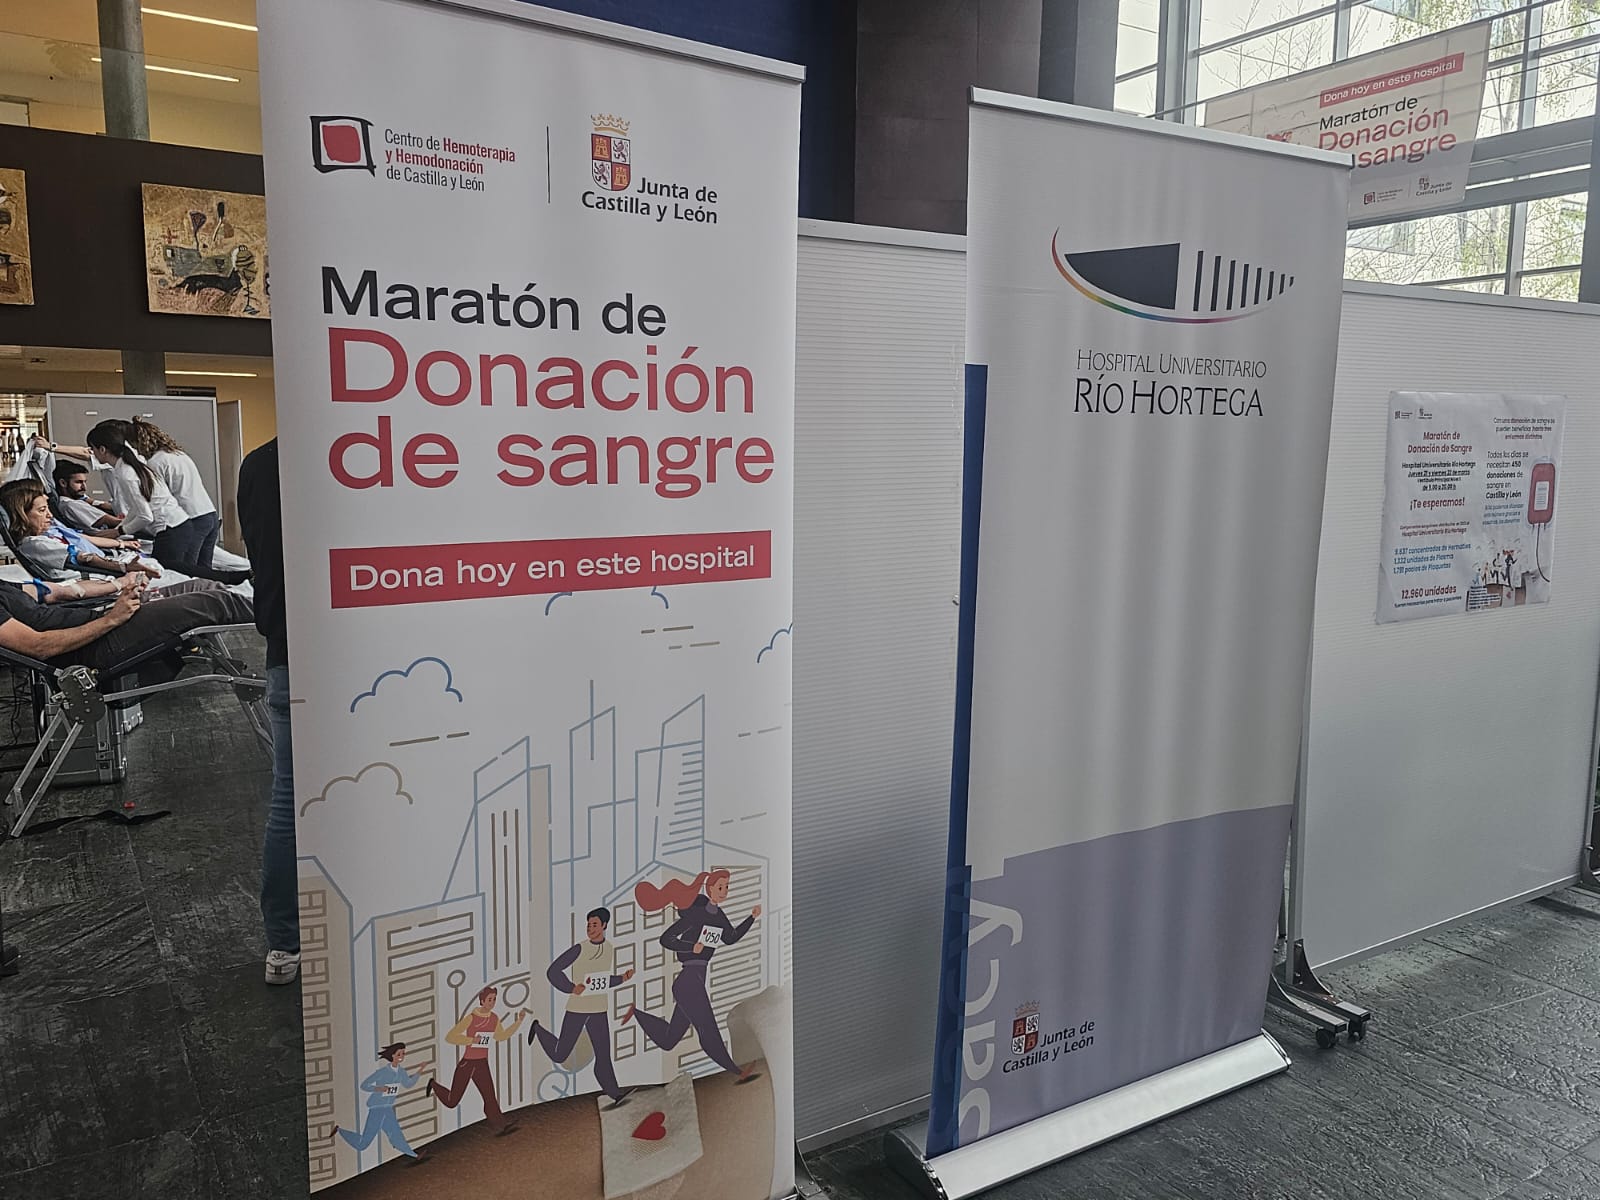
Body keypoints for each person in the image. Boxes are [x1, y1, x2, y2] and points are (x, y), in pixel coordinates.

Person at [237, 438, 296, 986]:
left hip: (287, 652)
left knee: (291, 801)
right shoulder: (377, 456)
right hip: (357, 656)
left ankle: (285, 945)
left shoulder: (260, 463)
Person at [623, 870, 762, 1082]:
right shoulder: (696, 914)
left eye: (727, 887)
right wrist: (691, 946)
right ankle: (736, 1071)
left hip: (695, 979)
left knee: (669, 1039)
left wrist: (751, 918)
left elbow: (730, 937)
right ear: (710, 888)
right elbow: (666, 938)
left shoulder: (718, 915)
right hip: (688, 980)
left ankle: (635, 1012)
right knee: (707, 1027)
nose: (724, 891)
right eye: (720, 887)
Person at [0, 572, 253, 686]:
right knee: (213, 603)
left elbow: (56, 591)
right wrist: (112, 619)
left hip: (101, 621)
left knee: (201, 586)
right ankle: (275, 612)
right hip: (91, 650)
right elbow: (38, 646)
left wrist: (120, 583)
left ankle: (258, 599)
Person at [79, 422, 248, 586]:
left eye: (92, 449)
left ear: (103, 449)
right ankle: (235, 578)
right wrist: (119, 529)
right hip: (184, 522)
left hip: (174, 526)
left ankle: (235, 577)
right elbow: (137, 509)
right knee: (186, 571)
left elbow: (145, 515)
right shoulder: (134, 464)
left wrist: (119, 531)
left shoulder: (128, 472)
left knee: (169, 572)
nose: (92, 453)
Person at [527, 906, 636, 1109]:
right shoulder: (580, 949)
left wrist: (622, 978)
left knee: (603, 1056)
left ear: (604, 925)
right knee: (560, 1054)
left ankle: (615, 1093)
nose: (590, 929)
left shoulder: (609, 949)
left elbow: (602, 980)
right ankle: (538, 1029)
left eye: (594, 925)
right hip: (578, 1009)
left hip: (598, 1009)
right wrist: (571, 987)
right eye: (588, 925)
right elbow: (553, 971)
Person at [126, 418, 228, 579]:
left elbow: (159, 499)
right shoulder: (179, 454)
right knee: (204, 572)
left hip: (192, 519)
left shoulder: (155, 463)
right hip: (209, 515)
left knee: (186, 572)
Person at [0, 479, 156, 580]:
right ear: (22, 516)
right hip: (96, 578)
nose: (50, 516)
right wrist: (122, 567)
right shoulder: (35, 544)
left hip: (99, 573)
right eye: (42, 510)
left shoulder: (43, 537)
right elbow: (82, 557)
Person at [429, 985, 525, 1135]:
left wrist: (518, 1021)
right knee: (452, 1101)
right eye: (489, 999)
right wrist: (471, 1040)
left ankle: (501, 1125)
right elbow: (451, 1036)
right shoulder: (471, 1018)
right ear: (482, 1000)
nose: (492, 1002)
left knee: (490, 1097)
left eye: (494, 999)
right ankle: (433, 1084)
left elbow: (501, 1036)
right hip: (467, 1063)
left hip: (481, 1063)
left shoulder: (494, 1018)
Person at [330, 1043, 431, 1165]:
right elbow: (364, 1085)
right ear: (392, 1055)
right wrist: (379, 1088)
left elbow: (408, 1084)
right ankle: (340, 1130)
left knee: (396, 1134)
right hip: (377, 1108)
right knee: (363, 1144)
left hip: (387, 1108)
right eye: (399, 1054)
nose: (402, 1056)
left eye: (403, 1053)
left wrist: (420, 1070)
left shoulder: (401, 1072)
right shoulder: (382, 1072)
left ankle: (414, 1155)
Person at [52, 459, 122, 532]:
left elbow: (104, 505)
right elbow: (108, 520)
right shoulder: (71, 505)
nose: (84, 487)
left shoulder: (78, 497)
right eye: (79, 482)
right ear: (63, 483)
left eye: (85, 482)